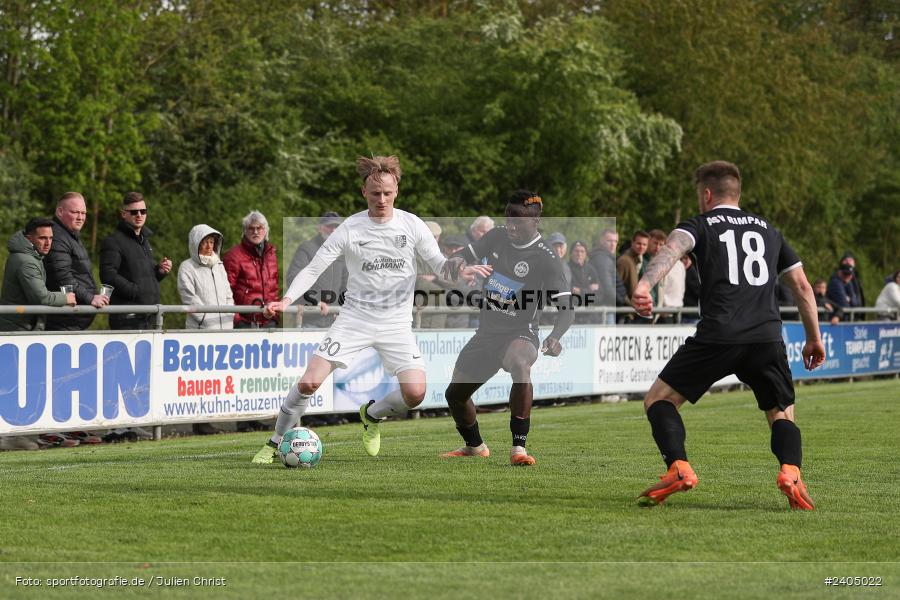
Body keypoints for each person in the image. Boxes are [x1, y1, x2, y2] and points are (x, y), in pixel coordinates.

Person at [251, 155, 489, 464]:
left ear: (396, 191)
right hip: (354, 319)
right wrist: (286, 300)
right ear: (364, 192)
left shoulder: (411, 224)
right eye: (375, 193)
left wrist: (459, 270)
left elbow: (441, 266)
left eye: (387, 193)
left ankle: (372, 415)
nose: (381, 199)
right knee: (309, 381)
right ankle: (275, 442)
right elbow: (313, 268)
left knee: (416, 394)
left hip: (396, 324)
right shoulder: (350, 228)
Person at [630, 161, 825, 510]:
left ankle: (679, 467)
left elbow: (672, 250)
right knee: (782, 411)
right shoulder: (769, 231)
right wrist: (815, 338)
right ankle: (790, 471)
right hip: (766, 337)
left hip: (719, 334)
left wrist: (645, 284)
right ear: (736, 192)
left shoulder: (701, 224)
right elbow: (803, 287)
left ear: (706, 194)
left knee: (659, 400)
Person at [441, 190, 575, 466]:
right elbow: (466, 253)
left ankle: (519, 448)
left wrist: (555, 336)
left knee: (518, 361)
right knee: (454, 395)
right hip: (487, 332)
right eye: (509, 219)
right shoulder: (499, 235)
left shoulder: (546, 258)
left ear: (535, 222)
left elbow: (567, 307)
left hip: (521, 332)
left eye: (519, 222)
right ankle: (475, 446)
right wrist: (456, 261)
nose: (512, 227)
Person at [0, 218, 76, 451]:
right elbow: (40, 298)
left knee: (25, 383)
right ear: (30, 237)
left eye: (51, 238)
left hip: (22, 331)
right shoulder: (25, 261)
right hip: (17, 332)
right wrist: (66, 298)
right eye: (43, 238)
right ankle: (13, 437)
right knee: (18, 384)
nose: (48, 243)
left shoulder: (29, 257)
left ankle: (23, 434)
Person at [177, 225, 234, 436]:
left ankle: (209, 420)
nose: (209, 246)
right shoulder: (187, 267)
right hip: (201, 333)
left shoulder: (219, 265)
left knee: (216, 380)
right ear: (196, 243)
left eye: (212, 242)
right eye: (205, 242)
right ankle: (200, 422)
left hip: (224, 331)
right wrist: (207, 321)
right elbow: (189, 299)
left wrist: (228, 321)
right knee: (200, 380)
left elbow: (228, 295)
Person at [100, 192, 172, 331]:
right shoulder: (113, 241)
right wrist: (136, 291)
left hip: (150, 316)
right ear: (123, 214)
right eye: (134, 212)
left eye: (143, 211)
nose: (139, 215)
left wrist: (159, 271)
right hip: (127, 318)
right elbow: (107, 275)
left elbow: (143, 276)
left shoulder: (144, 241)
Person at [45, 192, 109, 331]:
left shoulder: (70, 235)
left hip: (71, 319)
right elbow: (62, 276)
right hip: (63, 320)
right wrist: (90, 298)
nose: (80, 217)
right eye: (75, 212)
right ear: (60, 212)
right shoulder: (56, 237)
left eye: (83, 213)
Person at [286, 212, 347, 329]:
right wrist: (315, 302)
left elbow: (346, 285)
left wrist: (339, 308)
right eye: (329, 226)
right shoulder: (306, 248)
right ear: (320, 228)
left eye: (337, 227)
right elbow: (293, 279)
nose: (333, 230)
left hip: (333, 322)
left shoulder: (342, 253)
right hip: (309, 319)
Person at [224, 211, 280, 330]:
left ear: (265, 230)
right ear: (244, 231)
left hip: (269, 323)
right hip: (244, 323)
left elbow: (274, 289)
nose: (255, 232)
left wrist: (275, 316)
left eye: (259, 228)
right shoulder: (233, 256)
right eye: (251, 228)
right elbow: (225, 293)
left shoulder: (271, 255)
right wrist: (237, 320)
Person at [588, 228, 626, 324]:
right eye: (609, 241)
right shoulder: (602, 259)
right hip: (605, 309)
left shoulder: (607, 258)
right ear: (601, 241)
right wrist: (621, 301)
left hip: (607, 307)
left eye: (615, 241)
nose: (613, 244)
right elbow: (607, 288)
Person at [569, 241, 600, 323]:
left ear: (586, 254)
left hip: (590, 318)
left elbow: (599, 296)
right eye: (576, 251)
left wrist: (580, 291)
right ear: (571, 253)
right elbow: (569, 294)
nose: (579, 254)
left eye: (582, 251)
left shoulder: (591, 270)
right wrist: (589, 291)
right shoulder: (566, 269)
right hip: (572, 317)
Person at [616, 230, 649, 304]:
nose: (641, 247)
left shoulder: (637, 260)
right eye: (639, 243)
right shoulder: (624, 261)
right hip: (624, 311)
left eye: (644, 244)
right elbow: (617, 288)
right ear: (632, 243)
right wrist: (630, 306)